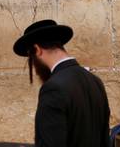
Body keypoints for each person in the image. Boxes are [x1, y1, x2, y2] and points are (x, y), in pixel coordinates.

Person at [13, 19, 110, 147]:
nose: (35, 68)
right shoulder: (95, 81)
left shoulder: (53, 88)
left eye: (32, 59)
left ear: (37, 50)